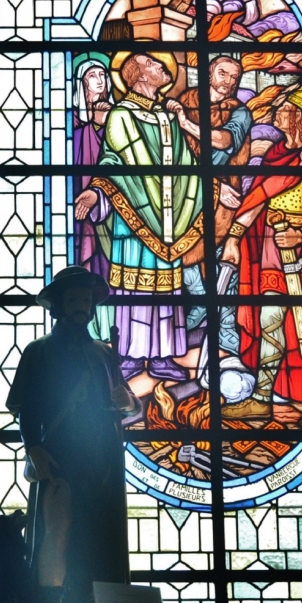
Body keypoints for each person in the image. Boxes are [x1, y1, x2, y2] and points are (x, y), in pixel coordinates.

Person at [6, 266, 135, 603]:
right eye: (74, 298)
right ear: (59, 305)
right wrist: (33, 445)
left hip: (102, 463)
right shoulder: (39, 352)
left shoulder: (104, 355)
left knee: (95, 539)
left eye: (86, 299)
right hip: (60, 458)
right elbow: (26, 406)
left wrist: (125, 401)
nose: (81, 305)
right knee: (57, 535)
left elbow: (129, 404)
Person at [74, 52, 202, 380]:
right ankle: (130, 354)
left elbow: (188, 167)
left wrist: (207, 193)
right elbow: (111, 163)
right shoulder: (121, 116)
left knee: (166, 293)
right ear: (140, 76)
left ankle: (162, 356)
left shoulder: (167, 117)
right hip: (134, 220)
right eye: (155, 65)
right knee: (134, 290)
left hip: (171, 216)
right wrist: (97, 191)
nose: (163, 68)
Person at [221, 86, 302, 422]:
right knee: (268, 318)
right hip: (273, 249)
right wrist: (233, 238)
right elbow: (257, 200)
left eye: (285, 108)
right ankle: (261, 395)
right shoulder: (275, 156)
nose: (277, 112)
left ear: (301, 117)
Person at [166, 56, 252, 353]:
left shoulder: (241, 113)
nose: (229, 81)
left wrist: (184, 121)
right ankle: (201, 300)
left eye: (234, 76)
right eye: (223, 73)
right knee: (177, 248)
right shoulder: (185, 99)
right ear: (208, 72)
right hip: (184, 192)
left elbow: (223, 141)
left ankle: (226, 325)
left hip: (224, 194)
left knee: (222, 255)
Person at [72, 53, 114, 338]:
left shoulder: (116, 113)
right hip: (81, 197)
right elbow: (74, 151)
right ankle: (91, 326)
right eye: (92, 76)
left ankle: (109, 327)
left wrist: (103, 124)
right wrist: (92, 126)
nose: (99, 82)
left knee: (108, 265)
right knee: (87, 259)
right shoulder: (73, 120)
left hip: (110, 204)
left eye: (102, 75)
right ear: (80, 84)